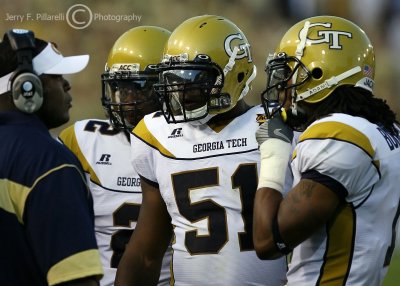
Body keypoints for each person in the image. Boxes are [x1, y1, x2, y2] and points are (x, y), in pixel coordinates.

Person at [115, 15, 287, 286]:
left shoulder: (279, 125)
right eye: (175, 79)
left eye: (194, 79)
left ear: (235, 74)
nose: (181, 91)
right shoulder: (156, 134)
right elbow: (145, 252)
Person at [253, 15, 400, 285]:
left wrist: (273, 154)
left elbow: (267, 241)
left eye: (288, 74)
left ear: (318, 74)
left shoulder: (338, 134)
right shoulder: (386, 130)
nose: (283, 86)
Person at [58, 26, 172, 286]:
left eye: (139, 88)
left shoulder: (183, 143)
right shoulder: (82, 141)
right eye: (120, 87)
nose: (126, 99)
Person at [0, 29, 103, 285]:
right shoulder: (48, 161)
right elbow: (76, 279)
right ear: (26, 86)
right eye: (56, 76)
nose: (67, 84)